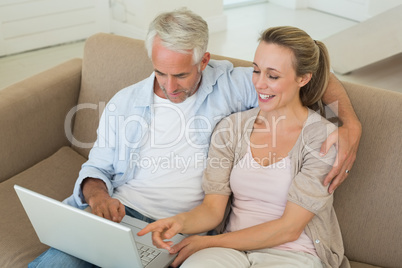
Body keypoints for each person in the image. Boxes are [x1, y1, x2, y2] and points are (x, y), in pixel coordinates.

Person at [29, 8, 359, 267]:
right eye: (160, 72)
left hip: (182, 227)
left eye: (181, 75)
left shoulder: (236, 85)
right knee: (57, 262)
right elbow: (97, 169)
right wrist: (99, 199)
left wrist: (349, 123)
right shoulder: (125, 102)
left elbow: (309, 73)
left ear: (204, 61)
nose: (169, 87)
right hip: (123, 212)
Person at [139, 26, 349, 267]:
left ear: (303, 78)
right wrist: (177, 223)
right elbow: (212, 209)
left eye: (273, 76)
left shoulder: (321, 138)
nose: (259, 84)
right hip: (230, 251)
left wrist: (205, 243)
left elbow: (289, 229)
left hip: (294, 253)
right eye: (256, 70)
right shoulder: (232, 128)